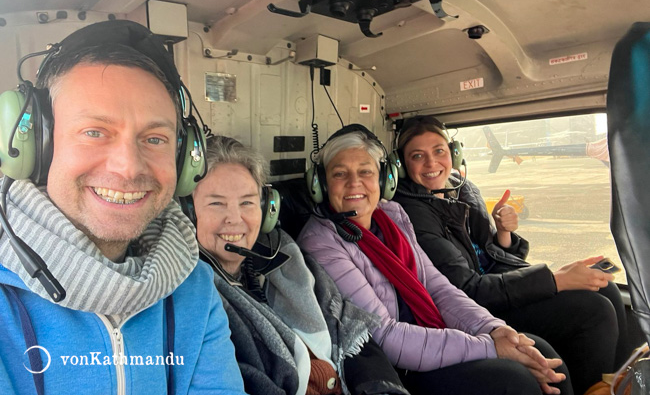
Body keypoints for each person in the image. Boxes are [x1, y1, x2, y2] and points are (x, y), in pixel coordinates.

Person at [0, 20, 246, 394]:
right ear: (37, 147)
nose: (129, 167)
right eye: (94, 132)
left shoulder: (192, 285)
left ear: (183, 160)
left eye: (154, 138)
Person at [297, 124, 572, 395]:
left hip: (433, 336)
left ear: (383, 180)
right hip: (397, 368)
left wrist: (494, 329)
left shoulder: (392, 216)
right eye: (339, 174)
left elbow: (438, 287)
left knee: (538, 350)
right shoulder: (321, 241)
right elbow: (386, 337)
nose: (354, 183)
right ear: (320, 185)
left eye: (365, 172)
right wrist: (488, 346)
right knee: (514, 380)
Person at [392, 115, 629, 395]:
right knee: (594, 310)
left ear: (453, 154)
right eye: (418, 156)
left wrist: (503, 235)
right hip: (479, 307)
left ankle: (618, 385)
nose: (432, 163)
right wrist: (554, 281)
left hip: (498, 286)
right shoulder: (411, 211)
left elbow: (489, 254)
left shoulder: (461, 187)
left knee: (607, 288)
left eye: (439, 151)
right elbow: (467, 289)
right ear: (403, 166)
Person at [189, 135, 409, 395]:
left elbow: (347, 323)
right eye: (216, 203)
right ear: (188, 214)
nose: (235, 220)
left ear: (267, 208)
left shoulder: (283, 252)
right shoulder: (192, 295)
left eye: (247, 202)